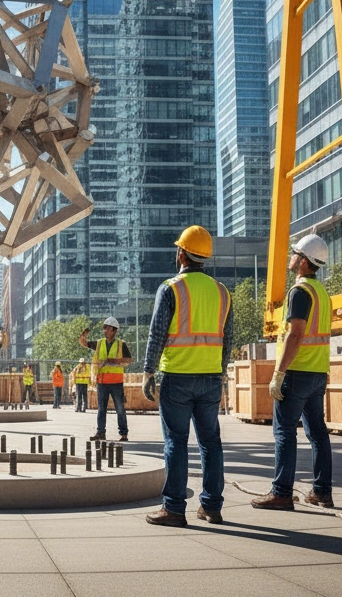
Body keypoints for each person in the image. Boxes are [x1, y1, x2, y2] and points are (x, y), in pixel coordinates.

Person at [142, 225, 232, 528]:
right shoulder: (221, 292)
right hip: (210, 379)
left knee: (176, 442)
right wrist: (220, 373)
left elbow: (157, 334)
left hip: (177, 377)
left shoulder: (171, 288)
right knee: (211, 443)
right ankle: (212, 506)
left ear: (181, 253)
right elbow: (228, 338)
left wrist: (147, 372)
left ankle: (174, 508)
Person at [251, 234, 333, 511]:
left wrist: (279, 373)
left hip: (297, 372)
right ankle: (322, 492)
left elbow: (295, 335)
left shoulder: (299, 292)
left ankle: (282, 492)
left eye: (294, 253)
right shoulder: (321, 292)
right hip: (317, 372)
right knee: (318, 434)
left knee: (284, 431)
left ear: (303, 262)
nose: (290, 257)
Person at [80, 316, 132, 442]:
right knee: (101, 408)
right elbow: (84, 343)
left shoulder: (121, 344)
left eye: (107, 328)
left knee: (120, 408)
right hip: (102, 381)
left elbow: (128, 360)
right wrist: (83, 336)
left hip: (116, 382)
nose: (105, 331)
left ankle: (123, 434)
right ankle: (100, 432)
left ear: (114, 330)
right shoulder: (99, 343)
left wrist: (113, 361)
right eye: (104, 328)